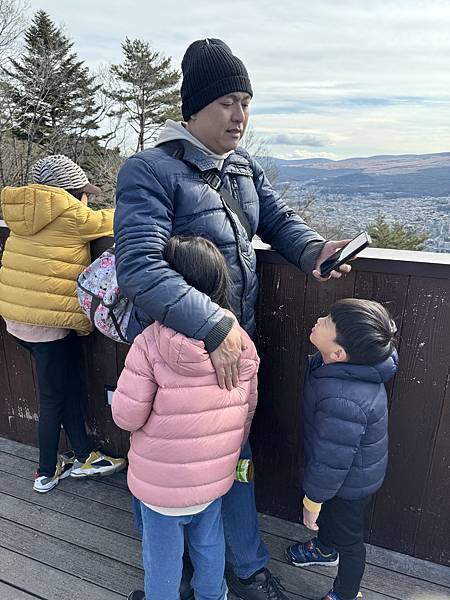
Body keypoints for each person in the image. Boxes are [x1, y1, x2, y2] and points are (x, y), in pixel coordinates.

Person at [114, 38, 351, 600]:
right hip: (175, 351)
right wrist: (214, 326)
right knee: (174, 463)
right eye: (225, 101)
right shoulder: (149, 171)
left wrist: (314, 251)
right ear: (191, 108)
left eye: (245, 100)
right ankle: (181, 575)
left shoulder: (241, 167)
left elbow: (277, 219)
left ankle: (244, 567)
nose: (239, 115)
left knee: (234, 456)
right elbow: (139, 267)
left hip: (230, 350)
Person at [112, 235, 259, 600]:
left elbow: (127, 417)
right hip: (212, 480)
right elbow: (247, 411)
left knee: (163, 560)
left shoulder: (149, 343)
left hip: (161, 486)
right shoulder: (240, 340)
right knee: (210, 547)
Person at [0, 154, 126, 493]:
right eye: (83, 191)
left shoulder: (19, 212)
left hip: (18, 319)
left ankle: (83, 453)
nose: (87, 197)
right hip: (47, 326)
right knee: (52, 396)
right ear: (70, 192)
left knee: (65, 383)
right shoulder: (72, 215)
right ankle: (45, 472)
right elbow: (116, 218)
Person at [285, 299, 398, 600]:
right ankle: (324, 548)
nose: (319, 319)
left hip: (348, 484)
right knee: (331, 518)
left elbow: (330, 460)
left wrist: (313, 500)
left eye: (327, 322)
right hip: (343, 474)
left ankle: (346, 593)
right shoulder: (345, 367)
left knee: (350, 541)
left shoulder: (344, 399)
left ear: (338, 353)